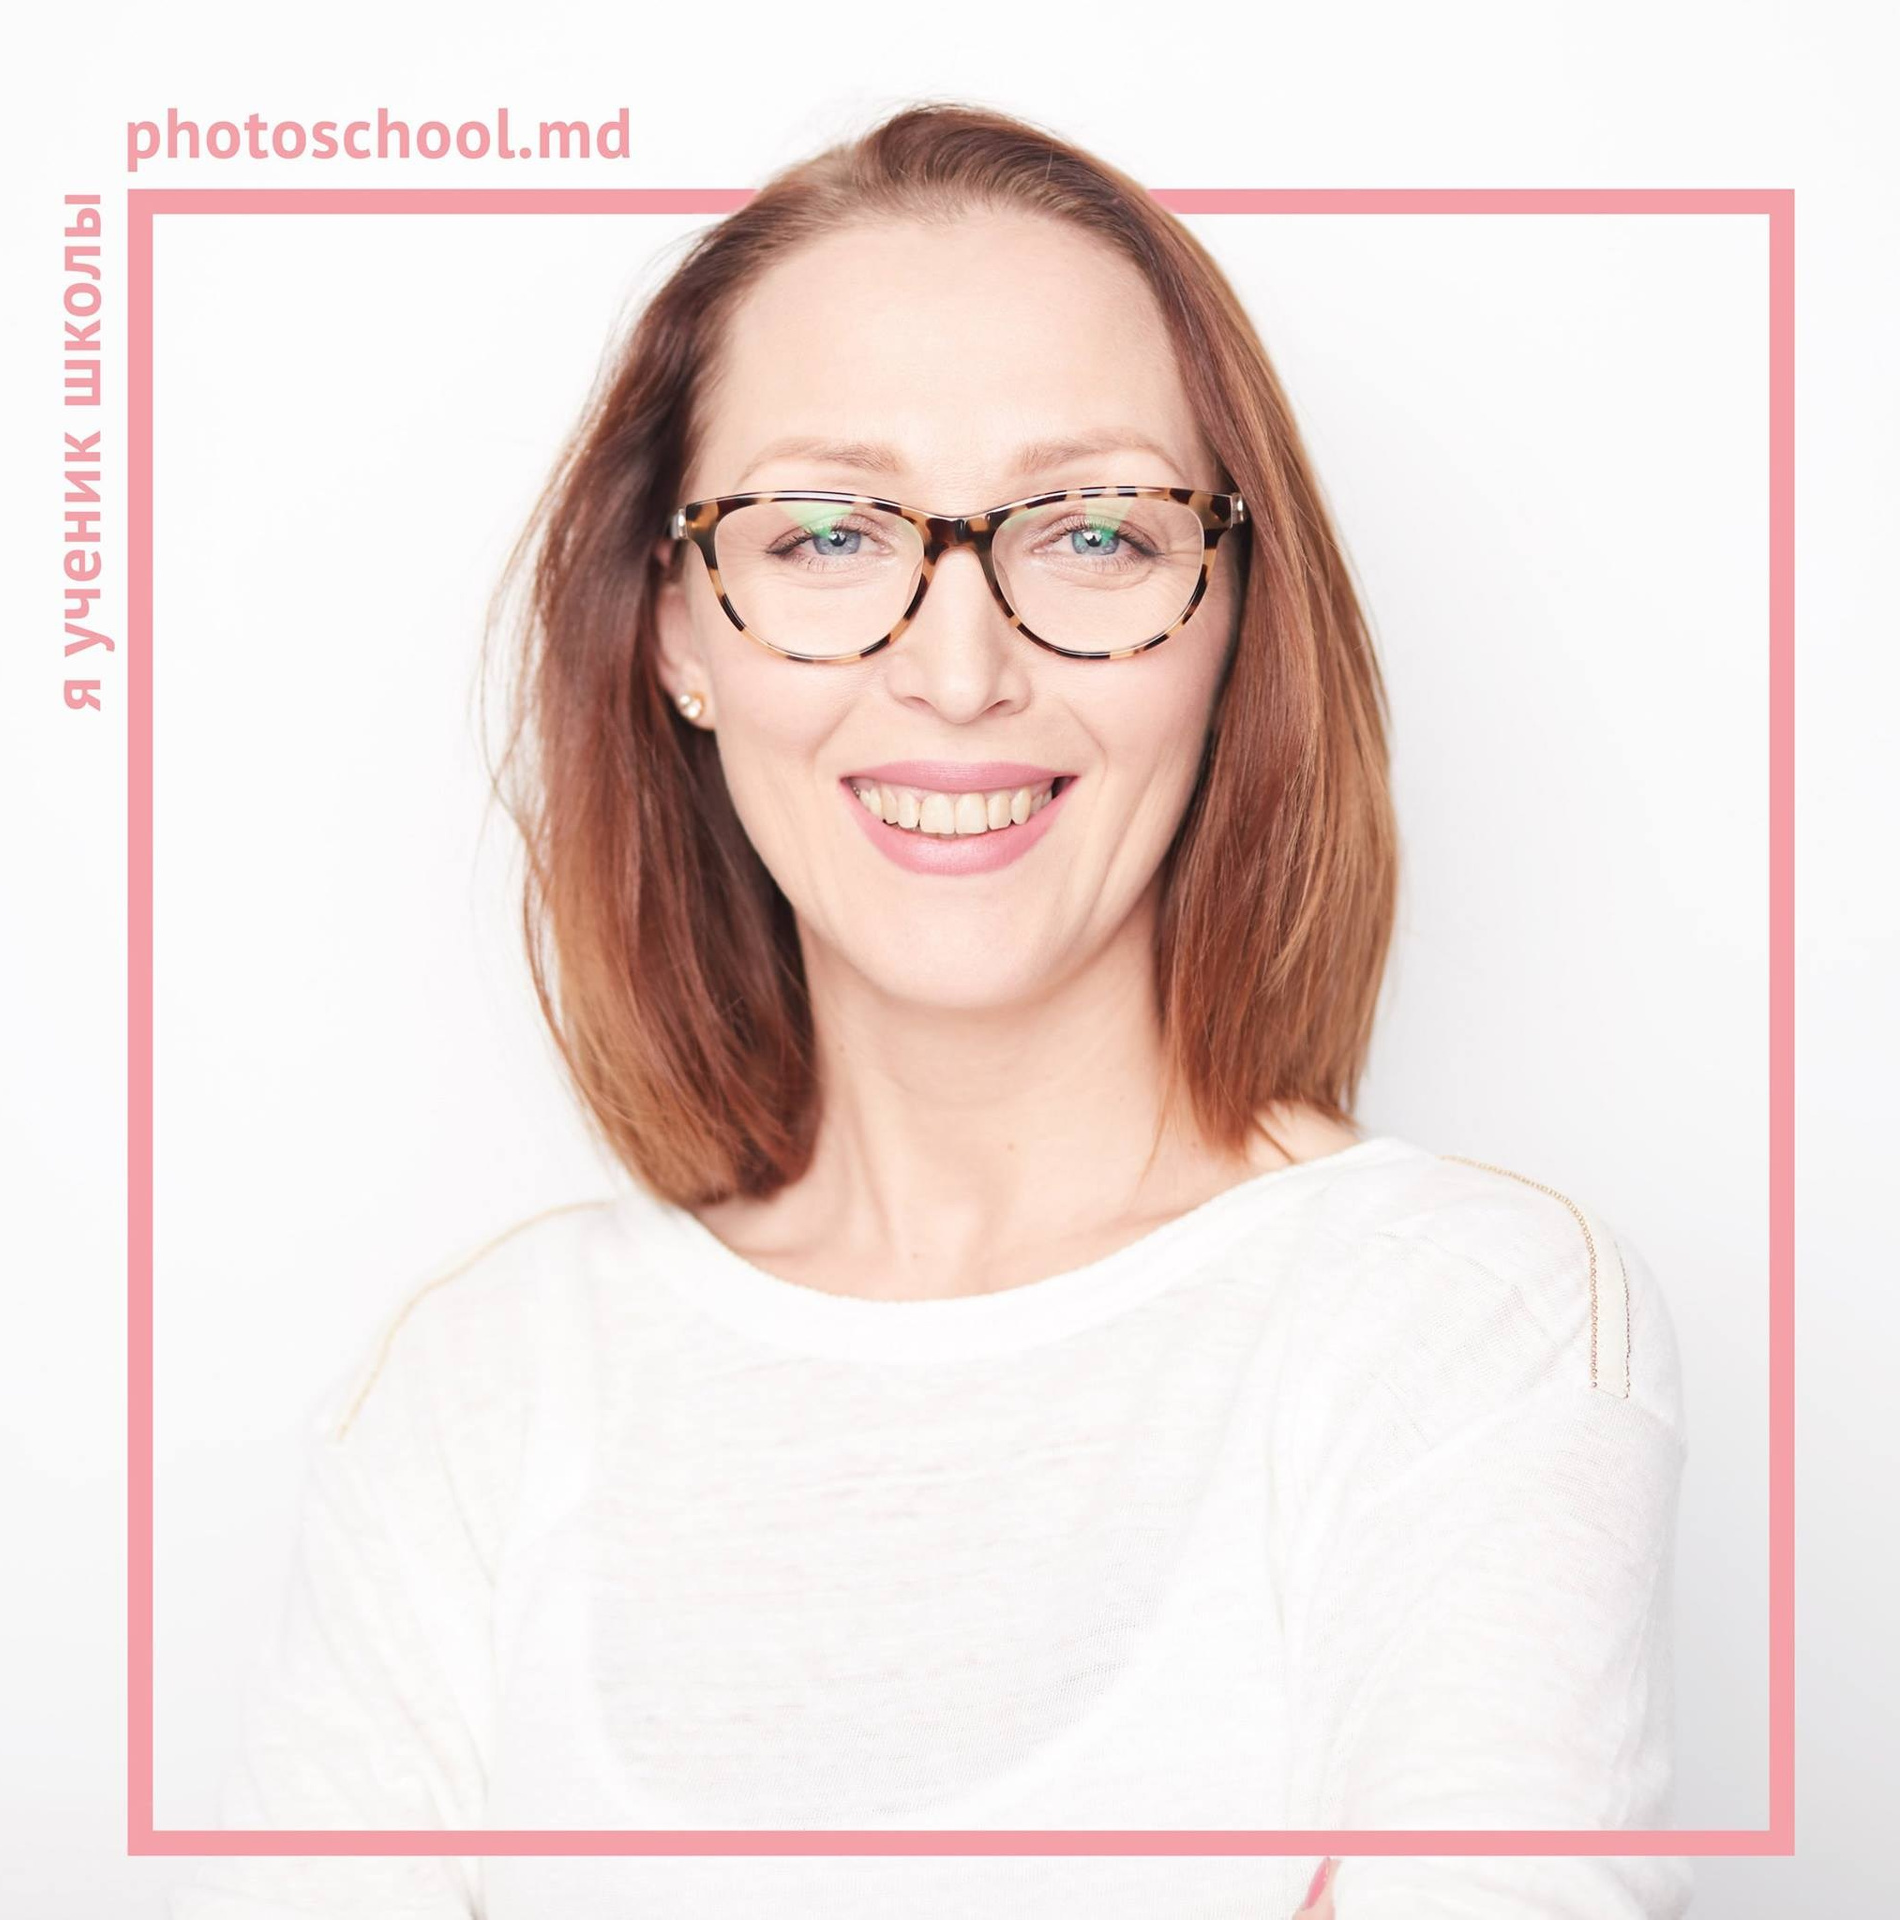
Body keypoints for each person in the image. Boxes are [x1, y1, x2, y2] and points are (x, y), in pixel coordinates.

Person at [170, 101, 1689, 1919]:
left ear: (1237, 619)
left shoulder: (1466, 1330)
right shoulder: (476, 1390)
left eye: (1096, 532)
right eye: (824, 535)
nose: (959, 671)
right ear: (677, 631)